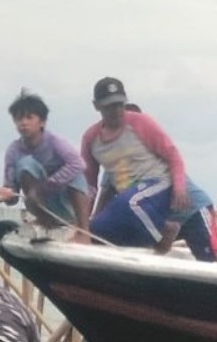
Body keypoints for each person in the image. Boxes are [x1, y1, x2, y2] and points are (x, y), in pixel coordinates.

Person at [80, 77, 192, 252]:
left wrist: (179, 187)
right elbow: (90, 185)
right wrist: (83, 224)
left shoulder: (140, 122)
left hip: (159, 184)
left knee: (128, 202)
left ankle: (165, 230)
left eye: (119, 104)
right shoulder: (91, 139)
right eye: (109, 106)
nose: (116, 110)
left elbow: (173, 154)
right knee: (96, 230)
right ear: (97, 106)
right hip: (131, 197)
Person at [124, 103, 217, 261]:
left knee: (209, 261)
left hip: (193, 211)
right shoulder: (115, 161)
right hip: (163, 221)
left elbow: (175, 163)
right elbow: (106, 192)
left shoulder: (156, 152)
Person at [0, 90, 90, 241]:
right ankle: (46, 220)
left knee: (75, 174)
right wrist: (7, 195)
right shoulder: (13, 150)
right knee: (25, 164)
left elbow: (78, 164)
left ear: (42, 122)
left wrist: (45, 186)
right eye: (19, 119)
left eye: (29, 117)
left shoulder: (54, 142)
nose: (24, 123)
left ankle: (83, 231)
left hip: (67, 202)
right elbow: (12, 195)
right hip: (40, 202)